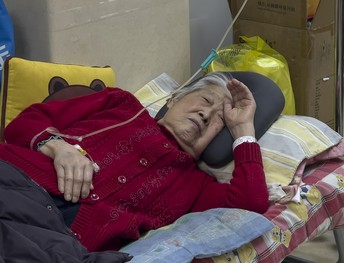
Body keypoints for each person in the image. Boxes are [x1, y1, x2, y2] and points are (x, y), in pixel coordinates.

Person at [0, 72, 269, 252]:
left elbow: (250, 204)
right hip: (17, 181)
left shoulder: (195, 186)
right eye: (205, 100)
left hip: (59, 239)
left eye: (220, 120)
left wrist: (243, 130)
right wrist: (58, 147)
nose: (206, 114)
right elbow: (26, 122)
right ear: (175, 97)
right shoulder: (121, 104)